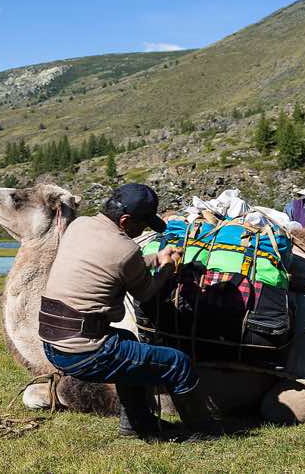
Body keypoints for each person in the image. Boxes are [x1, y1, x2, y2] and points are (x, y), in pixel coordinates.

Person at [38, 183, 221, 441]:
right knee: (177, 363)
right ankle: (203, 432)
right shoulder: (126, 249)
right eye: (142, 224)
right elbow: (145, 292)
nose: (143, 230)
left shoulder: (80, 225)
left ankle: (136, 424)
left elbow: (110, 264)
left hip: (52, 343)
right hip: (84, 352)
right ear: (125, 220)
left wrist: (157, 258)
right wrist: (169, 269)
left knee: (127, 341)